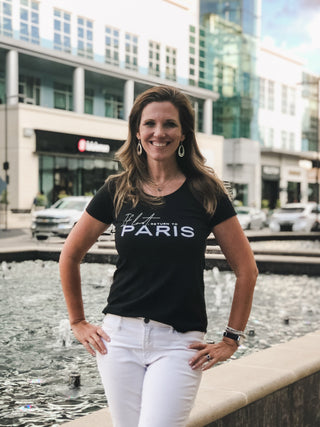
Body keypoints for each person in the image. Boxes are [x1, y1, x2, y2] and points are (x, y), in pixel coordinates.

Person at [59, 85, 258, 427]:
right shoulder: (118, 189)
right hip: (118, 339)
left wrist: (231, 339)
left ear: (183, 134)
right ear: (137, 132)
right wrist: (77, 322)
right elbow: (70, 254)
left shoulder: (206, 192)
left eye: (169, 124)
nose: (159, 132)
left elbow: (246, 269)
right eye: (150, 123)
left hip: (179, 344)